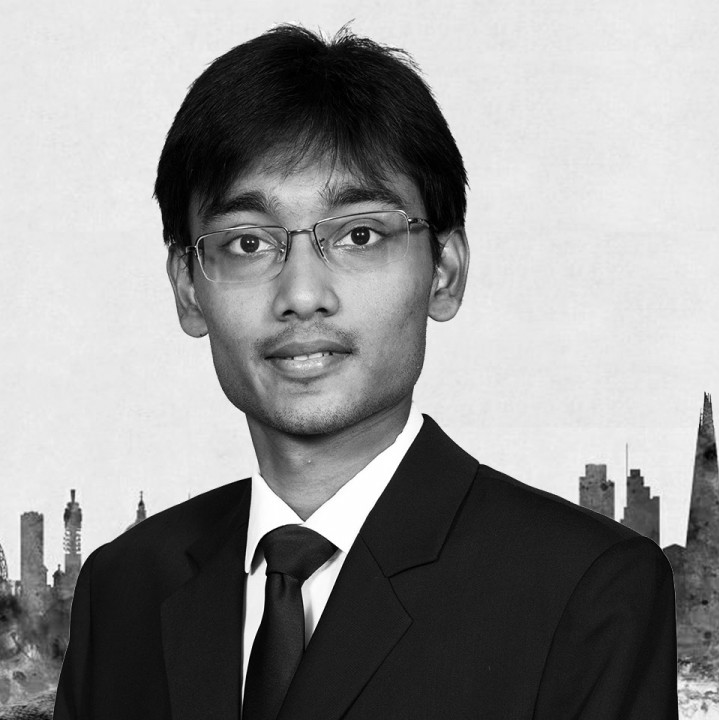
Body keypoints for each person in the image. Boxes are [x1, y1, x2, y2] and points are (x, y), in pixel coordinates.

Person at [54, 25, 678, 720]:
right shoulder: (124, 589)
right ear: (188, 289)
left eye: (358, 234)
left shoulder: (585, 591)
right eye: (248, 242)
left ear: (444, 271)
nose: (302, 295)